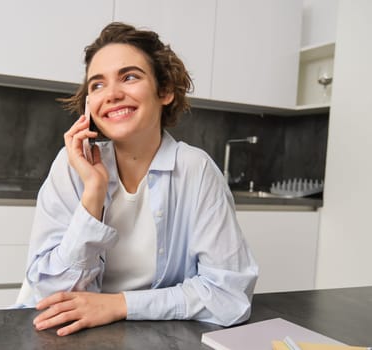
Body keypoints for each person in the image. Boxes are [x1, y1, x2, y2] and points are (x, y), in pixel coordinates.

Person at [16, 22, 258, 336]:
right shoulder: (71, 165)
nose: (113, 94)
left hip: (154, 336)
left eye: (129, 77)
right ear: (90, 103)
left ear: (165, 91)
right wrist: (94, 192)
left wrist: (120, 305)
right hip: (64, 336)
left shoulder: (196, 171)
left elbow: (230, 295)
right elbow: (52, 298)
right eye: (97, 85)